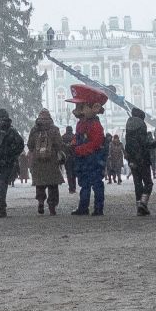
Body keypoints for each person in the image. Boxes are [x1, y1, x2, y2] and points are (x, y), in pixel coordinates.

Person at [68, 84, 109, 216]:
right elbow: (78, 137)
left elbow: (96, 143)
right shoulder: (81, 123)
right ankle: (83, 207)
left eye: (81, 107)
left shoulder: (95, 125)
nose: (77, 110)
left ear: (94, 108)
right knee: (84, 184)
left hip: (93, 159)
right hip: (84, 160)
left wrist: (80, 149)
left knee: (96, 184)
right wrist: (73, 144)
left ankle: (98, 208)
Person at [26, 108, 66, 215]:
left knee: (40, 183)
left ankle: (40, 201)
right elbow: (59, 144)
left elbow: (30, 145)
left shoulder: (34, 130)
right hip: (51, 160)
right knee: (52, 184)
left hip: (38, 161)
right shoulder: (54, 129)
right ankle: (52, 206)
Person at [123, 104, 155, 216]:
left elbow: (128, 145)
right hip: (143, 159)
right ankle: (143, 203)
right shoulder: (141, 126)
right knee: (148, 183)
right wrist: (154, 143)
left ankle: (139, 207)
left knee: (137, 183)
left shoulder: (129, 128)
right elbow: (144, 143)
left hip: (132, 160)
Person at [62, 126, 78, 195]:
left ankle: (70, 188)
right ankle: (74, 187)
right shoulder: (75, 137)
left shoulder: (63, 137)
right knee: (74, 173)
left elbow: (61, 147)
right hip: (74, 157)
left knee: (69, 173)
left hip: (67, 158)